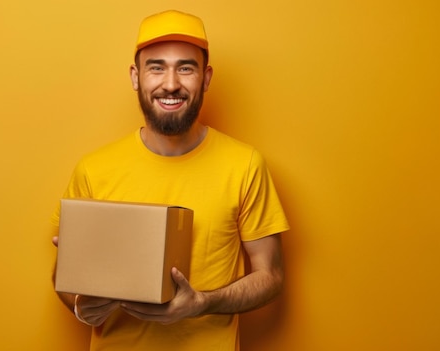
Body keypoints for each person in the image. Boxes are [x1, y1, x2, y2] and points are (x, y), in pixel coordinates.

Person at [51, 9, 290, 351]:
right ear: (136, 76)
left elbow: (271, 276)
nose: (171, 83)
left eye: (186, 68)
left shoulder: (245, 164)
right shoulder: (93, 169)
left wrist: (202, 303)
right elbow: (62, 277)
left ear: (205, 78)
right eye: (156, 67)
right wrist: (79, 302)